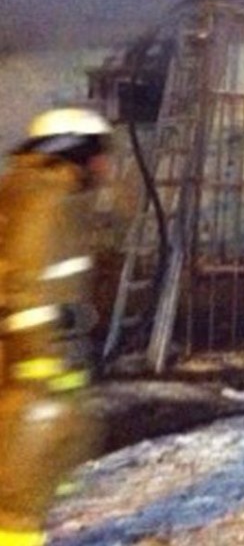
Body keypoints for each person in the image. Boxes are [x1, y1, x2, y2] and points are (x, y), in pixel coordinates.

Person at [0, 107, 113, 546]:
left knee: (39, 455)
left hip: (37, 356)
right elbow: (28, 289)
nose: (105, 166)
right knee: (25, 468)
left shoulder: (42, 191)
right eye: (98, 155)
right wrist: (44, 366)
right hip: (33, 363)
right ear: (74, 150)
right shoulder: (45, 197)